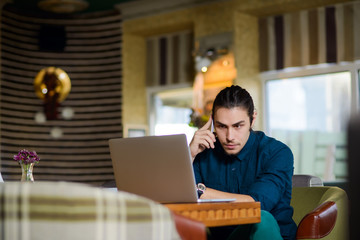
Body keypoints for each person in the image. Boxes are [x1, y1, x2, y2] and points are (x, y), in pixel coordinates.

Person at [189, 85, 297, 240]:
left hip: (267, 234)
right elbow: (174, 199)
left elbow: (256, 205)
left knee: (261, 218)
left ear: (252, 119)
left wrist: (200, 193)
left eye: (238, 126)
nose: (229, 136)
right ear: (212, 121)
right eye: (221, 126)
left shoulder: (277, 152)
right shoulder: (202, 152)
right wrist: (190, 154)